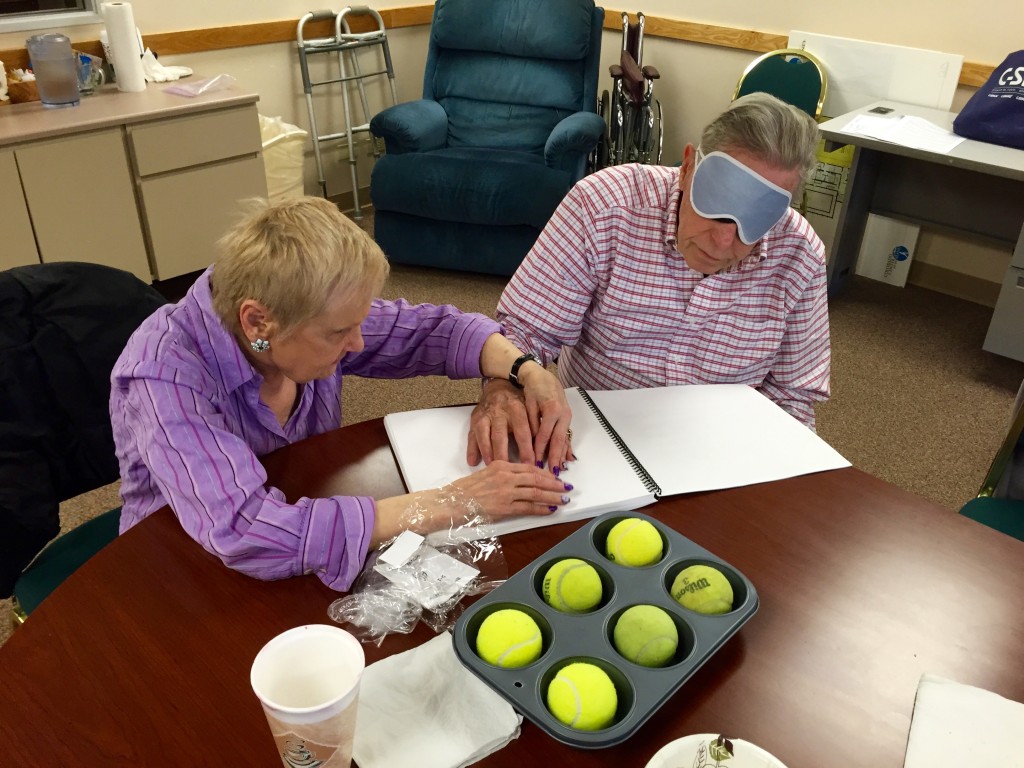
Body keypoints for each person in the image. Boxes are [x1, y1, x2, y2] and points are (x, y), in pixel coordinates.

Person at [110, 196, 573, 592]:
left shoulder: (299, 306)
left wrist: (524, 369)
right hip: (187, 566)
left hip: (302, 509)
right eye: (339, 332)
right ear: (257, 322)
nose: (358, 343)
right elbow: (246, 531)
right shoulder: (163, 376)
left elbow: (438, 330)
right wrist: (453, 501)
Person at [474, 92, 830, 440]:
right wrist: (507, 387)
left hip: (721, 447)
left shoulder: (801, 256)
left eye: (752, 223)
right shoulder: (602, 205)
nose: (722, 242)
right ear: (688, 165)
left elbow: (792, 398)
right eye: (714, 206)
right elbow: (526, 332)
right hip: (593, 431)